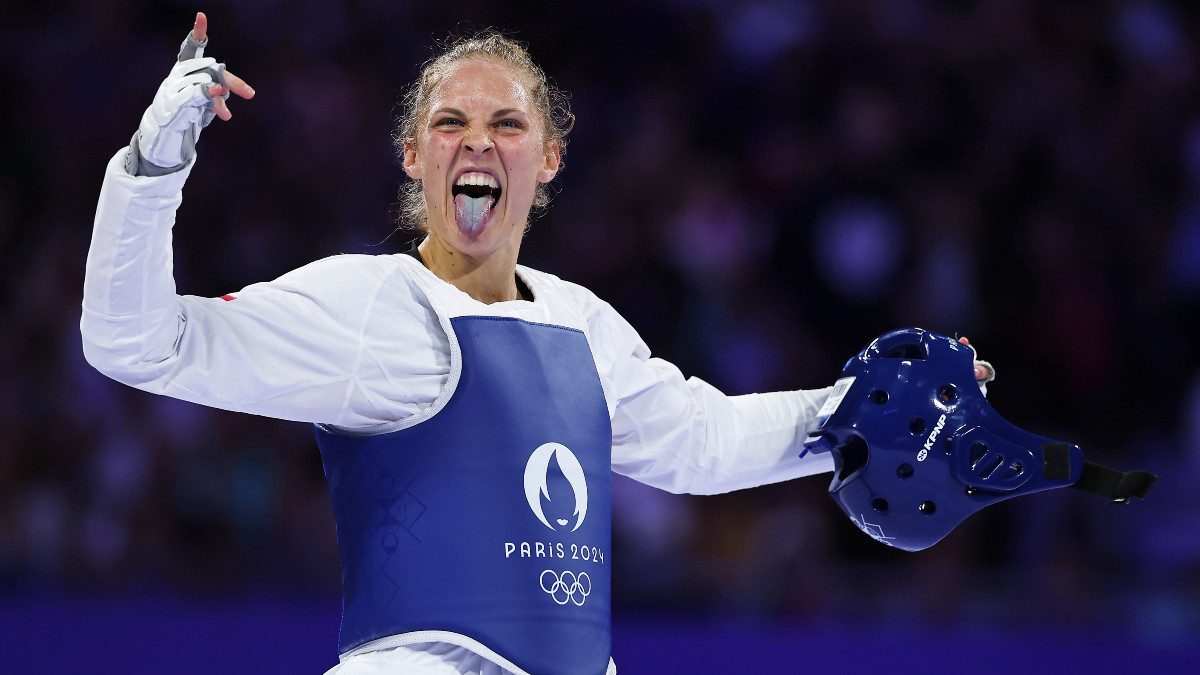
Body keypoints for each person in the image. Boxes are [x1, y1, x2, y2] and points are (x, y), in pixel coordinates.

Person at [81, 13, 994, 675]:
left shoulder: (582, 324)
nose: (477, 142)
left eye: (506, 124)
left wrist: (861, 412)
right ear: (414, 156)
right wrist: (152, 170)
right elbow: (134, 342)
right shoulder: (365, 303)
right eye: (450, 123)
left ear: (548, 158)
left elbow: (701, 443)